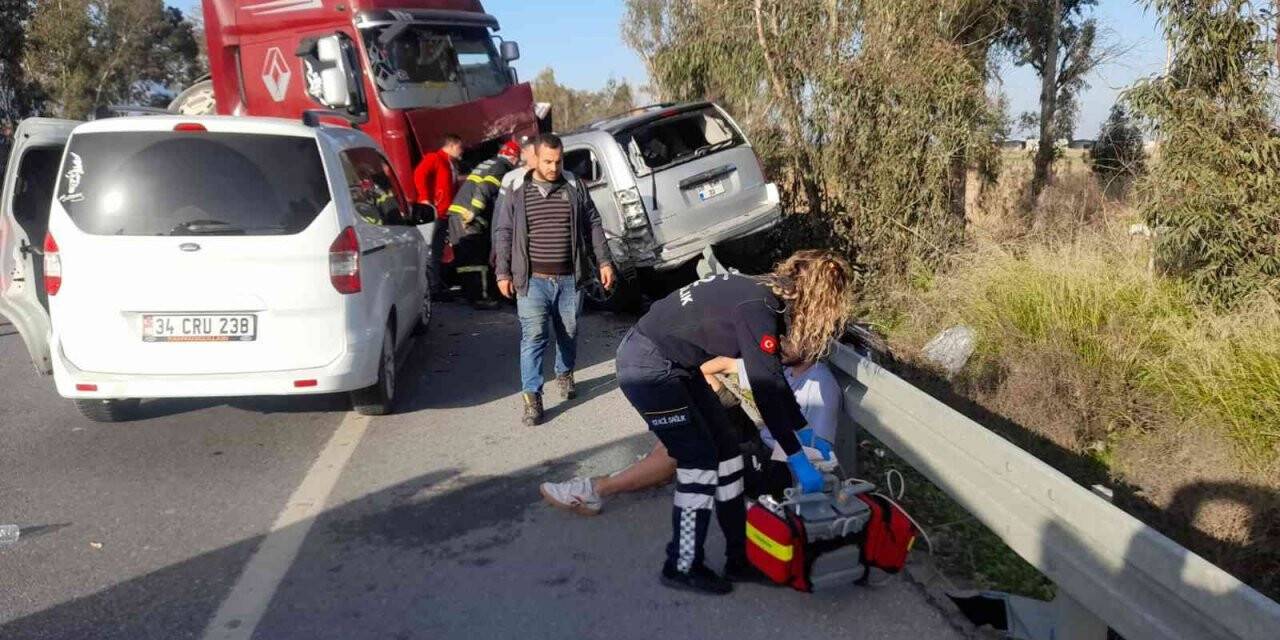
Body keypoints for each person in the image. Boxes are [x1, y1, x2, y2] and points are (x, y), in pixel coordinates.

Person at [611, 250, 854, 594]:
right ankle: (681, 566)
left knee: (727, 455)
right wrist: (798, 459)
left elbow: (774, 380)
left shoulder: (764, 293)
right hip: (648, 366)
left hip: (676, 363)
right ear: (818, 298)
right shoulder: (758, 309)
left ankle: (738, 559)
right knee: (700, 464)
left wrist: (803, 430)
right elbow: (767, 390)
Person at [539, 354, 841, 516]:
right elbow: (711, 368)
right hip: (757, 443)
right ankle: (657, 464)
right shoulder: (784, 368)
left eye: (791, 335)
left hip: (778, 471)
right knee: (698, 415)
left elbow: (822, 456)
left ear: (815, 340)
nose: (782, 340)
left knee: (696, 441)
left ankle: (598, 489)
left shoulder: (821, 384)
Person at [492, 133, 616, 426]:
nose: (553, 167)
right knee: (534, 337)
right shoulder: (518, 190)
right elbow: (504, 232)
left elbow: (594, 224)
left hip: (569, 279)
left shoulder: (574, 186)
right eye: (547, 161)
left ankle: (564, 372)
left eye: (558, 161)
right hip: (532, 280)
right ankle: (532, 399)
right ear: (535, 158)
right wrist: (503, 271)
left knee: (568, 332)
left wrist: (605, 261)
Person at [446, 139, 522, 308]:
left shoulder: (489, 163)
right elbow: (485, 188)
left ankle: (470, 294)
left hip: (457, 212)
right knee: (477, 259)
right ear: (514, 158)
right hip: (468, 215)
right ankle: (482, 297)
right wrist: (474, 212)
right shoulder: (502, 167)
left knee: (466, 261)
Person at [413, 133, 463, 300]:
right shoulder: (435, 158)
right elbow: (419, 174)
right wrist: (425, 198)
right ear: (451, 145)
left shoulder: (450, 163)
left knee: (436, 251)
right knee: (428, 251)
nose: (461, 150)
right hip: (434, 213)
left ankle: (434, 286)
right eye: (459, 147)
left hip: (444, 213)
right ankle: (428, 286)